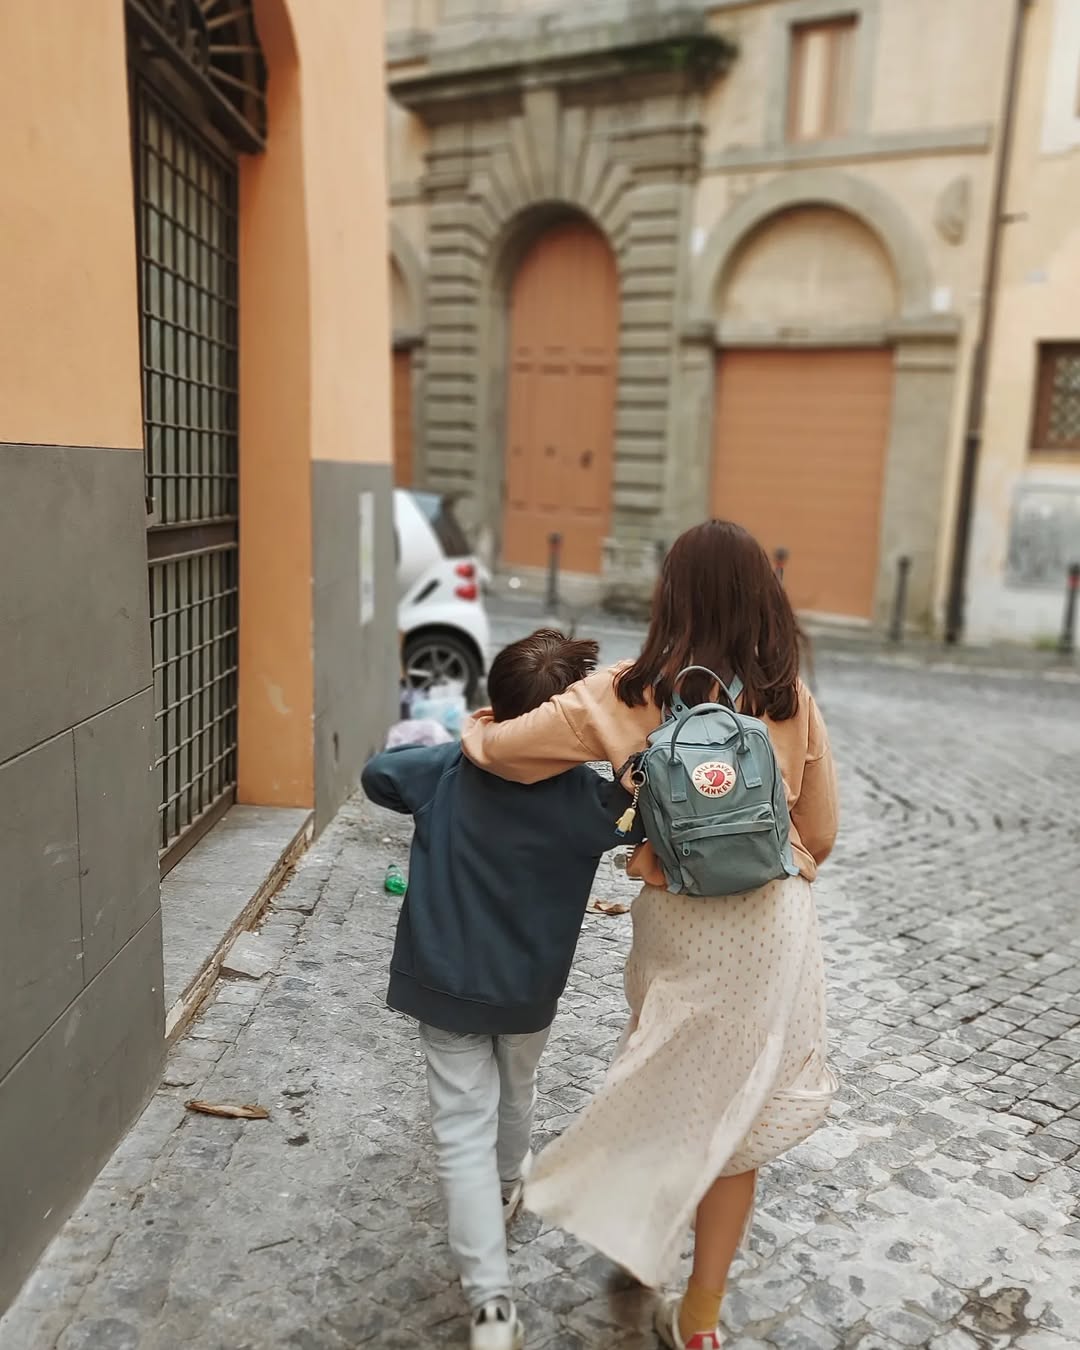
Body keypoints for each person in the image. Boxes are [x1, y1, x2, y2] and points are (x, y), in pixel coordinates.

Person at [461, 521, 840, 1350]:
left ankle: (642, 1249)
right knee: (736, 1121)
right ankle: (699, 1320)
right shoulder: (788, 701)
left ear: (672, 598)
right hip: (771, 933)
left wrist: (478, 729)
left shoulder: (628, 693)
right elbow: (821, 832)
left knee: (664, 1079)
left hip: (680, 928)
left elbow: (509, 752)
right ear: (764, 603)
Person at [361, 630, 643, 1350]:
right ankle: (509, 1180)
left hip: (443, 980)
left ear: (496, 703)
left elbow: (379, 776)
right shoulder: (588, 798)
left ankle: (490, 1306)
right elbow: (634, 811)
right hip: (528, 989)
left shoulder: (448, 769)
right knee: (517, 1090)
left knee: (460, 1128)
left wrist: (475, 737)